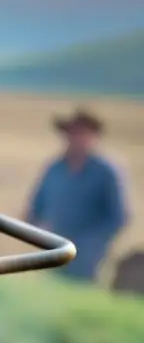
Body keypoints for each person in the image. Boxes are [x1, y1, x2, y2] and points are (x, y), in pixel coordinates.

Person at [26, 107, 128, 282]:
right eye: (72, 133)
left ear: (94, 136)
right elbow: (36, 208)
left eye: (82, 133)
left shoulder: (106, 172)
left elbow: (118, 217)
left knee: (83, 294)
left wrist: (92, 244)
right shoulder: (55, 168)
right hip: (55, 249)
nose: (76, 138)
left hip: (89, 257)